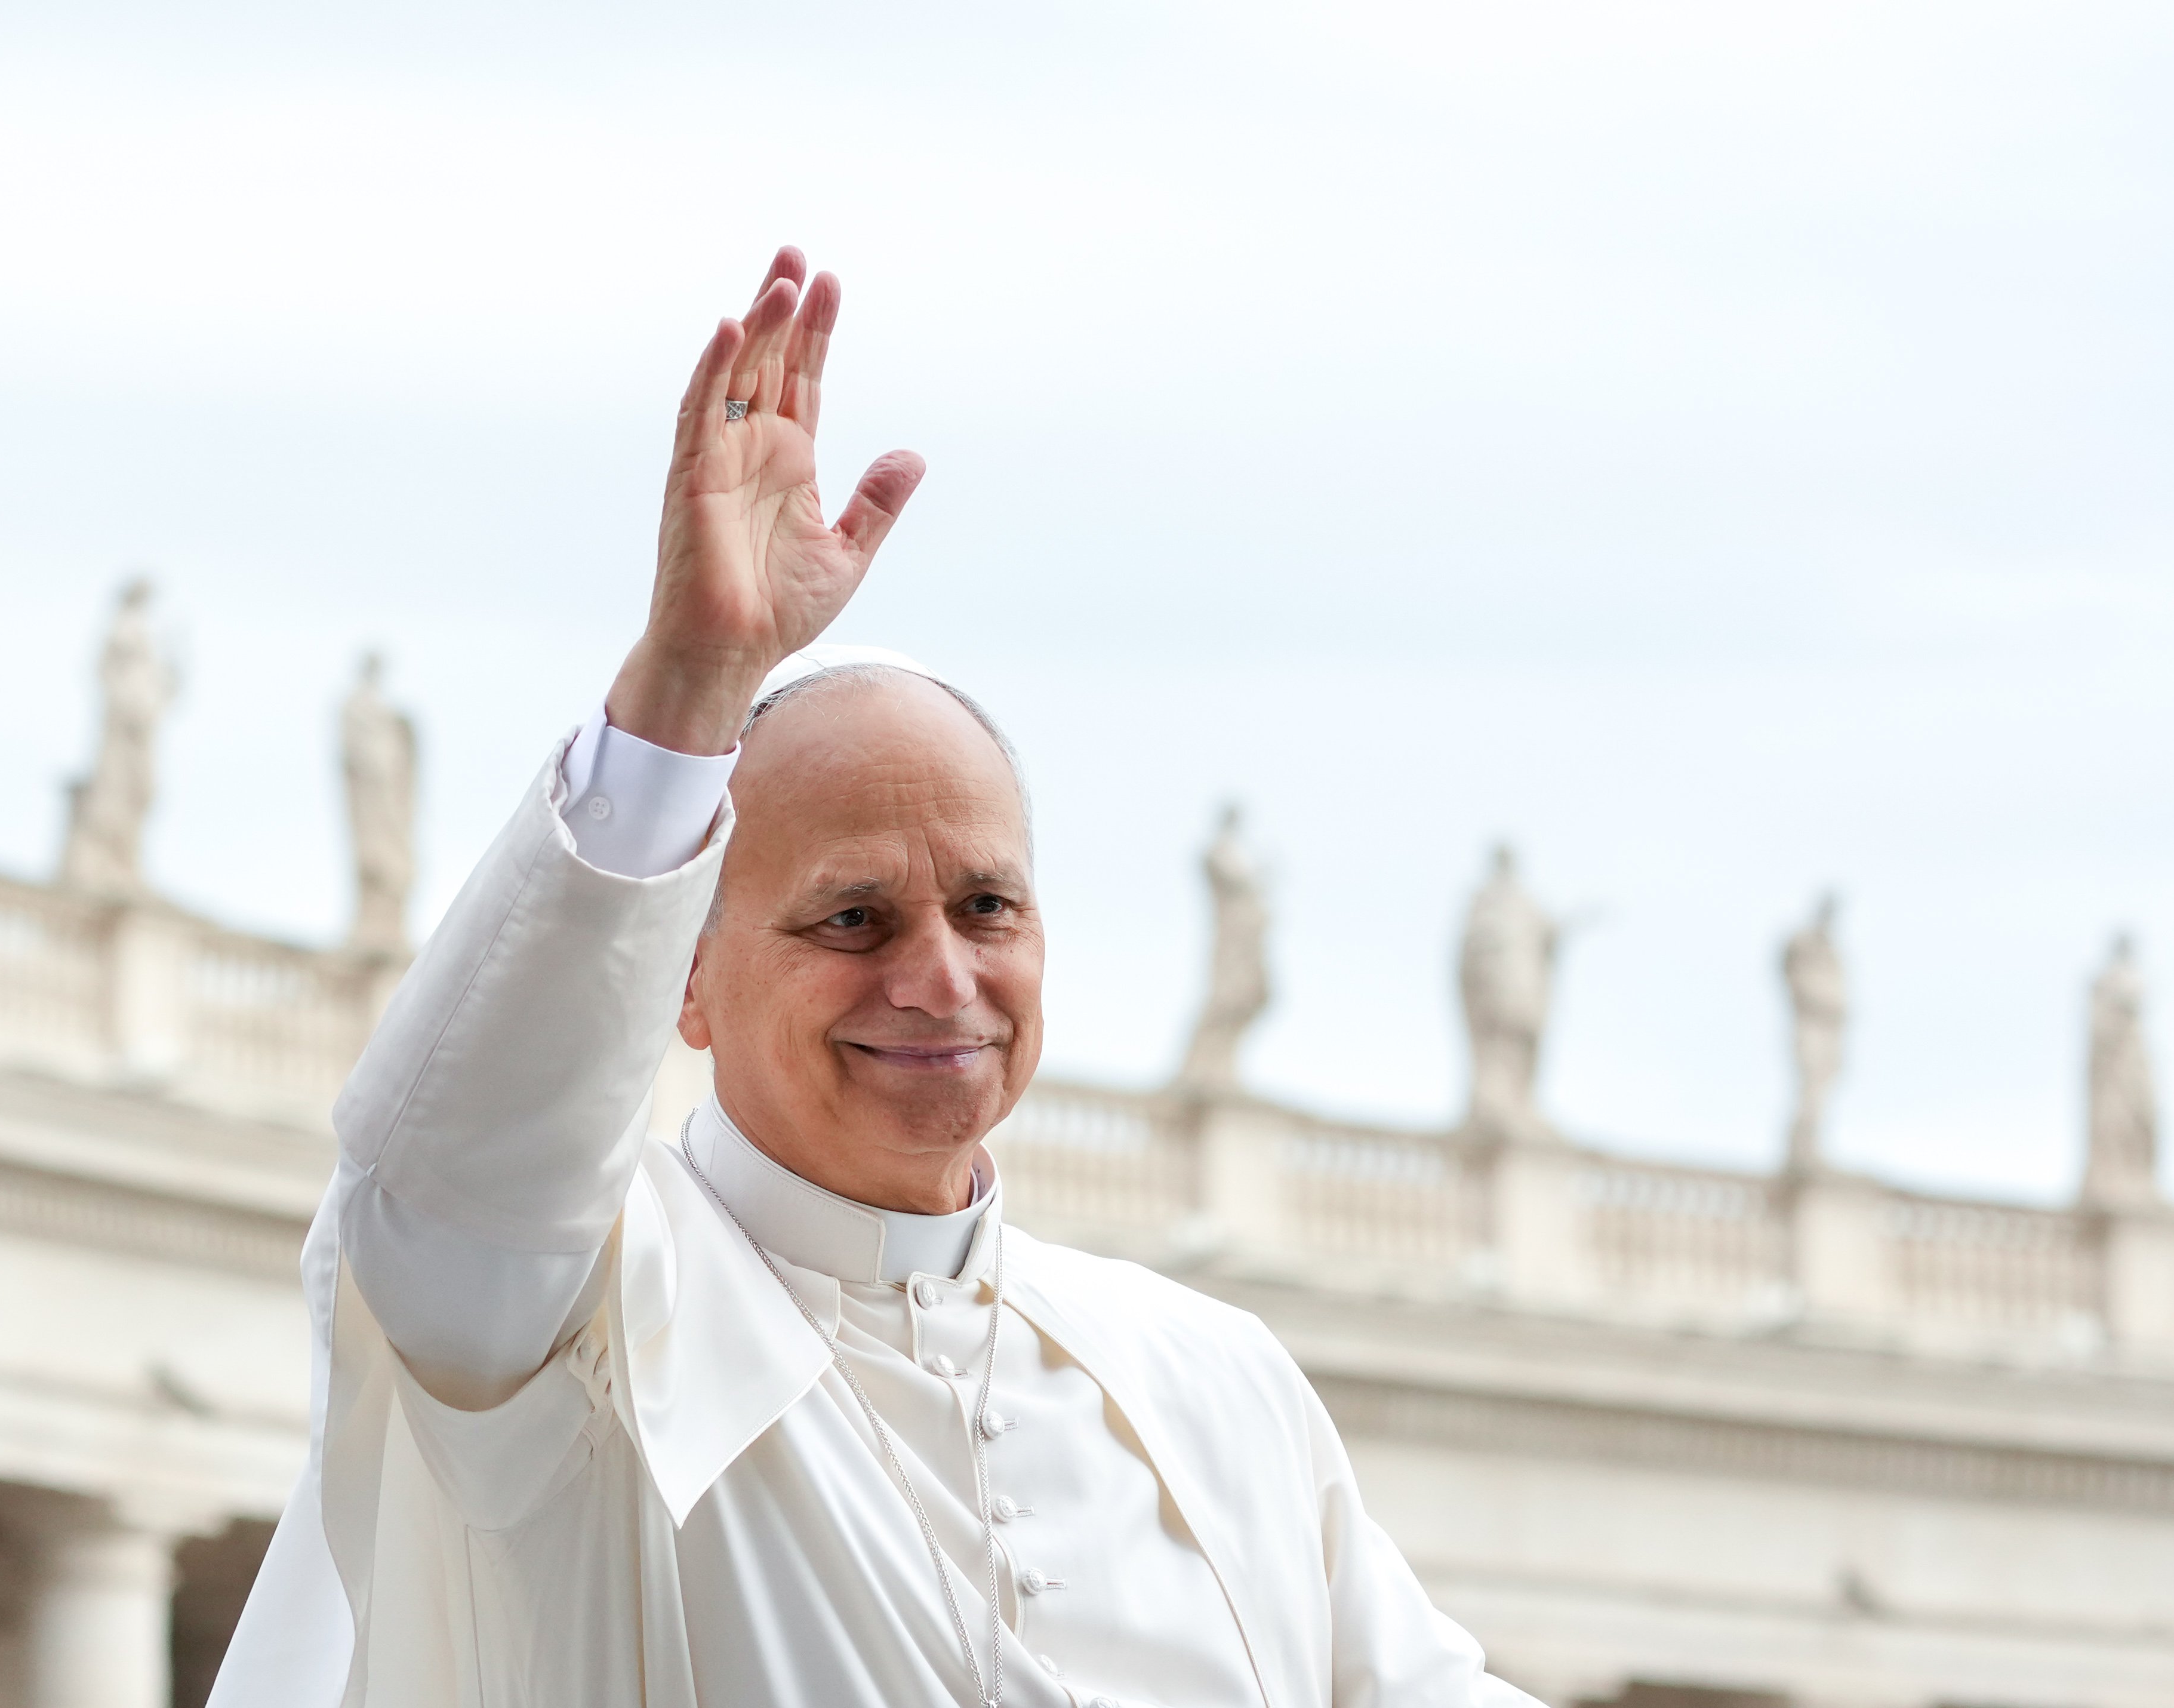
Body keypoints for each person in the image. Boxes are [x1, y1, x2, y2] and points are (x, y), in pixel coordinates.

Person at [211, 249, 1535, 1707]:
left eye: (988, 907)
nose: (939, 978)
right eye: (850, 920)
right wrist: (689, 689)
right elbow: (453, 1170)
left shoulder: (1211, 1384)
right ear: (686, 983)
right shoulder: (575, 1324)